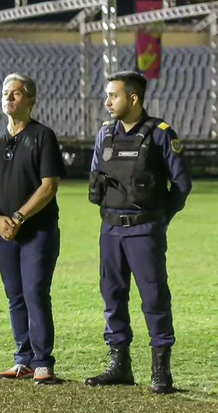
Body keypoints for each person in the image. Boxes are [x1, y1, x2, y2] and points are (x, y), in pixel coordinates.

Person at [85, 71, 190, 395]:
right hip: (111, 230)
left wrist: (160, 219)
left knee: (154, 298)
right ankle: (120, 365)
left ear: (133, 99)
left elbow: (182, 185)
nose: (107, 102)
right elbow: (95, 177)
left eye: (113, 96)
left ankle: (161, 370)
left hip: (145, 229)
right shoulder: (105, 134)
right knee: (112, 297)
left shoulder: (160, 133)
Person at [0, 74, 64, 384]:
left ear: (30, 100)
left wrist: (17, 217)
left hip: (37, 231)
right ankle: (23, 359)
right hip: (2, 232)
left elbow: (49, 186)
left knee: (35, 293)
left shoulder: (43, 136)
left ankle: (42, 362)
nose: (9, 98)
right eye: (5, 93)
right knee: (15, 295)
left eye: (16, 93)